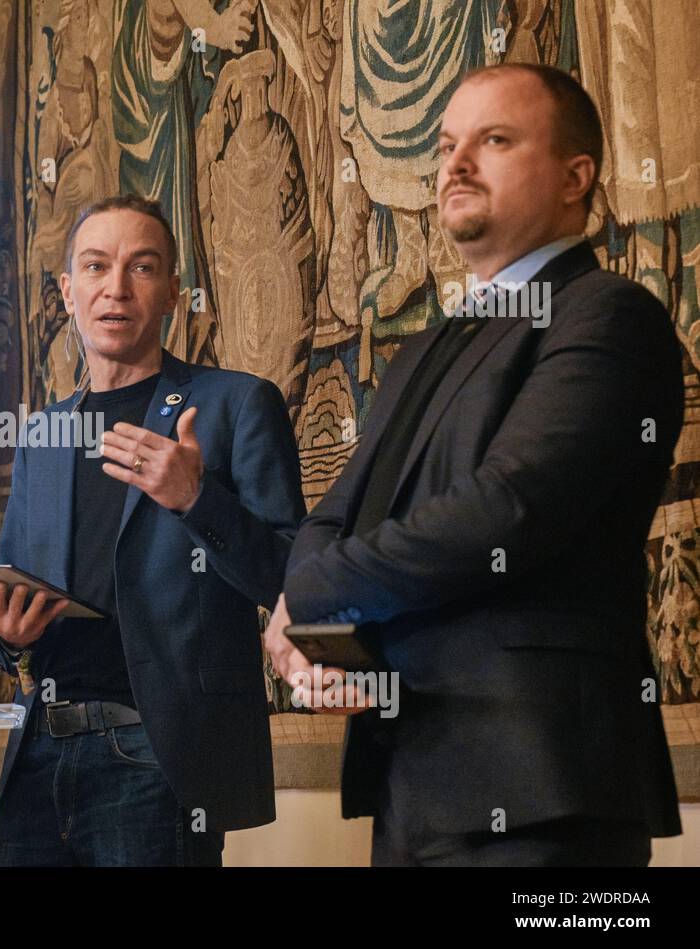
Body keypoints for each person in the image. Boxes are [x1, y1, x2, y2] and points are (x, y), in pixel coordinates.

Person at [266, 63, 684, 866]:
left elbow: (509, 509)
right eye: (448, 144)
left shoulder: (608, 315)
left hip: (543, 788)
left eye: (494, 140)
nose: (454, 164)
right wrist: (306, 631)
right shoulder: (427, 345)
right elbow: (334, 514)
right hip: (412, 784)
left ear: (576, 177)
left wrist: (306, 592)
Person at [0, 194, 304, 866]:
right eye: (95, 267)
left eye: (142, 268)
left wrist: (196, 498)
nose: (115, 288)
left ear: (174, 292)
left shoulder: (235, 405)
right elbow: (11, 604)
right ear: (67, 290)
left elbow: (294, 576)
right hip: (39, 755)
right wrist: (6, 637)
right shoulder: (43, 437)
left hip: (155, 755)